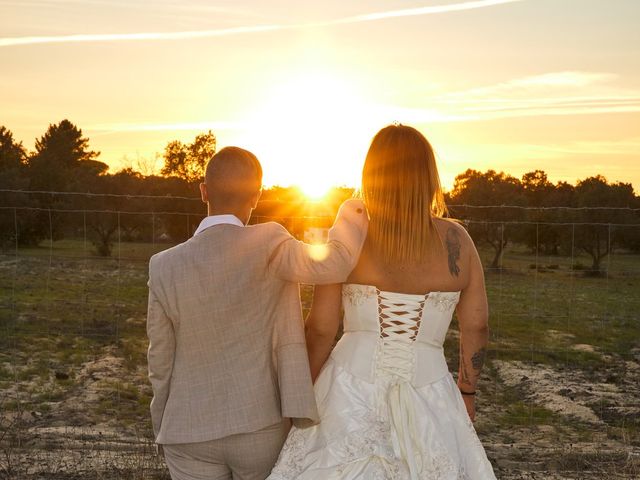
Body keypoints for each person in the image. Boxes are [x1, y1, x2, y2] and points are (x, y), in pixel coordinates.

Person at [268, 125, 496, 479]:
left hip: (347, 389)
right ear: (428, 178)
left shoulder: (351, 239)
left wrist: (304, 393)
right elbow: (477, 325)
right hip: (431, 388)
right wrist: (467, 392)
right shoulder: (458, 241)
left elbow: (321, 329)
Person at [146, 146, 368, 480]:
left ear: (203, 190)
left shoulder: (163, 266)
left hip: (186, 430)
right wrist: (353, 211)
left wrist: (163, 424)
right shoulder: (270, 241)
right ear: (257, 195)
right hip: (259, 425)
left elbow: (159, 360)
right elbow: (335, 263)